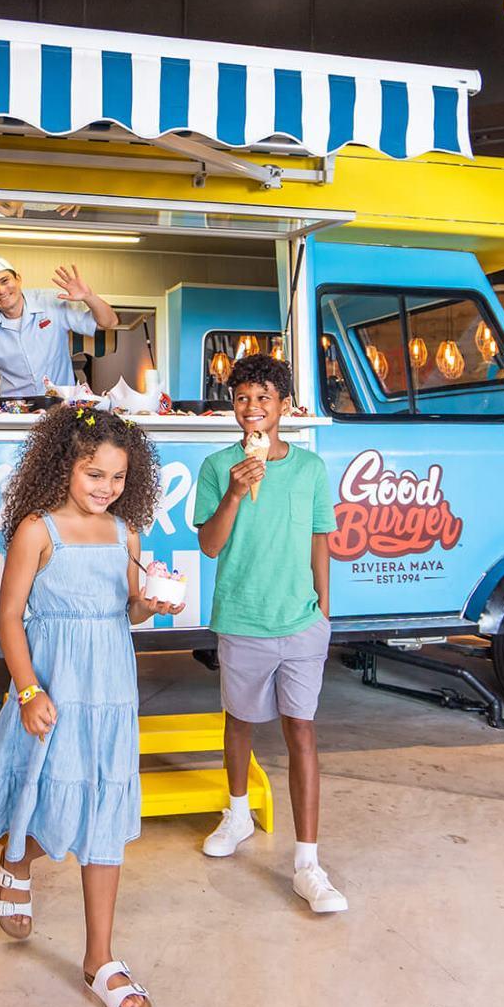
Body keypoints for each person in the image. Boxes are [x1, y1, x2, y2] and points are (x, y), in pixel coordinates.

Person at [0, 405, 176, 1007]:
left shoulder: (125, 533)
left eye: (117, 478)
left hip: (110, 693)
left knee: (104, 805)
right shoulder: (38, 529)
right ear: (63, 467)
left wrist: (149, 605)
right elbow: (8, 617)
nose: (105, 489)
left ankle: (100, 957)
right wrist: (27, 691)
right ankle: (16, 862)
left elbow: (127, 610)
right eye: (92, 474)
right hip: (50, 689)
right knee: (34, 788)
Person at [191, 353, 348, 914]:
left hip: (302, 621)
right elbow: (210, 545)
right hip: (241, 617)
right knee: (241, 721)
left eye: (263, 399)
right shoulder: (217, 467)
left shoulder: (309, 469)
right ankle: (237, 815)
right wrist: (234, 492)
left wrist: (323, 612)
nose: (252, 409)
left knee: (301, 730)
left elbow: (320, 539)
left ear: (285, 406)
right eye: (241, 399)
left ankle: (307, 861)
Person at [0, 255, 117, 398]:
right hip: (15, 411)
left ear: (18, 279)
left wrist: (89, 297)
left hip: (63, 406)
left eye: (5, 281)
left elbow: (109, 323)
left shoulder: (52, 301)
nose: (1, 290)